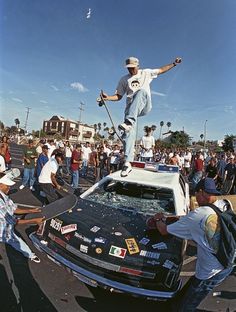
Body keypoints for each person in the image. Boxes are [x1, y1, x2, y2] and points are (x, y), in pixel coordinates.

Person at [152, 178, 233, 312]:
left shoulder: (198, 215)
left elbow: (163, 230)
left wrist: (158, 219)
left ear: (201, 192)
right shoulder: (225, 204)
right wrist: (170, 217)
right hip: (227, 262)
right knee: (190, 290)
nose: (195, 199)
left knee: (187, 306)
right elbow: (188, 220)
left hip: (210, 271)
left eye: (196, 195)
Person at [100, 56, 182, 177]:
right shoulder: (124, 79)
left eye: (132, 68)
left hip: (144, 105)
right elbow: (118, 96)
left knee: (141, 92)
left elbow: (161, 70)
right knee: (129, 134)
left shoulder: (146, 73)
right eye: (128, 68)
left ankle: (129, 122)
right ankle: (128, 163)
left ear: (138, 66)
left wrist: (173, 64)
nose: (130, 70)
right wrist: (107, 98)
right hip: (130, 110)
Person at [0, 172, 43, 263]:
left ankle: (30, 254)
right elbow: (14, 221)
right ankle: (30, 255)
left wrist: (31, 211)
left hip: (5, 225)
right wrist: (34, 221)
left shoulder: (4, 196)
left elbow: (14, 209)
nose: (9, 187)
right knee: (16, 241)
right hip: (3, 228)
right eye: (7, 185)